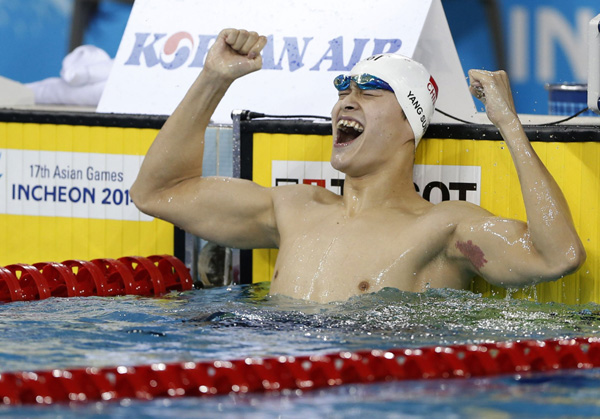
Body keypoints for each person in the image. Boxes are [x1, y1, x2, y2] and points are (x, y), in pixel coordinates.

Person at [131, 29, 586, 303]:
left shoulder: (444, 228)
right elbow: (157, 191)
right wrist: (214, 77)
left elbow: (557, 257)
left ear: (410, 126)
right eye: (343, 90)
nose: (346, 100)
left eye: (369, 92)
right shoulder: (294, 209)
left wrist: (508, 122)